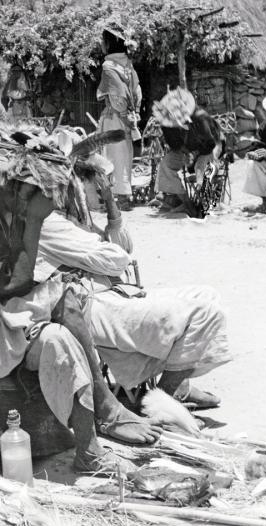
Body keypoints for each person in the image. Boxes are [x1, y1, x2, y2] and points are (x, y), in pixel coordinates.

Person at [0, 127, 163, 477]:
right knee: (62, 299)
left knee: (59, 331)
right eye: (34, 190)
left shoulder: (7, 214)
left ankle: (90, 444)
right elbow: (5, 283)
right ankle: (104, 407)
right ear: (6, 184)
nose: (42, 196)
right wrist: (34, 221)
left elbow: (18, 281)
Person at [35, 141, 232, 408]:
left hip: (114, 294)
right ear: (80, 183)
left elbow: (123, 250)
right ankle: (161, 400)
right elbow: (117, 260)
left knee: (207, 295)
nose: (107, 190)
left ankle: (178, 385)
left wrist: (112, 209)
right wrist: (108, 253)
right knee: (206, 313)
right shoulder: (52, 224)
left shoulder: (78, 219)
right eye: (101, 185)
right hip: (94, 306)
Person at [152, 88, 223, 218]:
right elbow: (174, 145)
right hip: (188, 149)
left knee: (200, 167)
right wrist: (184, 153)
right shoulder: (167, 123)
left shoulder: (200, 118)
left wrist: (194, 155)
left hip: (209, 147)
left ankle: (203, 203)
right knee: (166, 164)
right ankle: (186, 202)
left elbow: (210, 143)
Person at [96, 28, 142, 211]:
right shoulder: (127, 65)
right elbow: (137, 90)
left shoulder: (108, 66)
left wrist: (122, 113)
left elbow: (118, 95)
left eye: (103, 41)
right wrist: (134, 114)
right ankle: (123, 197)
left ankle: (116, 198)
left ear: (108, 43)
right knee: (125, 155)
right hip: (128, 118)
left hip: (115, 117)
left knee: (112, 156)